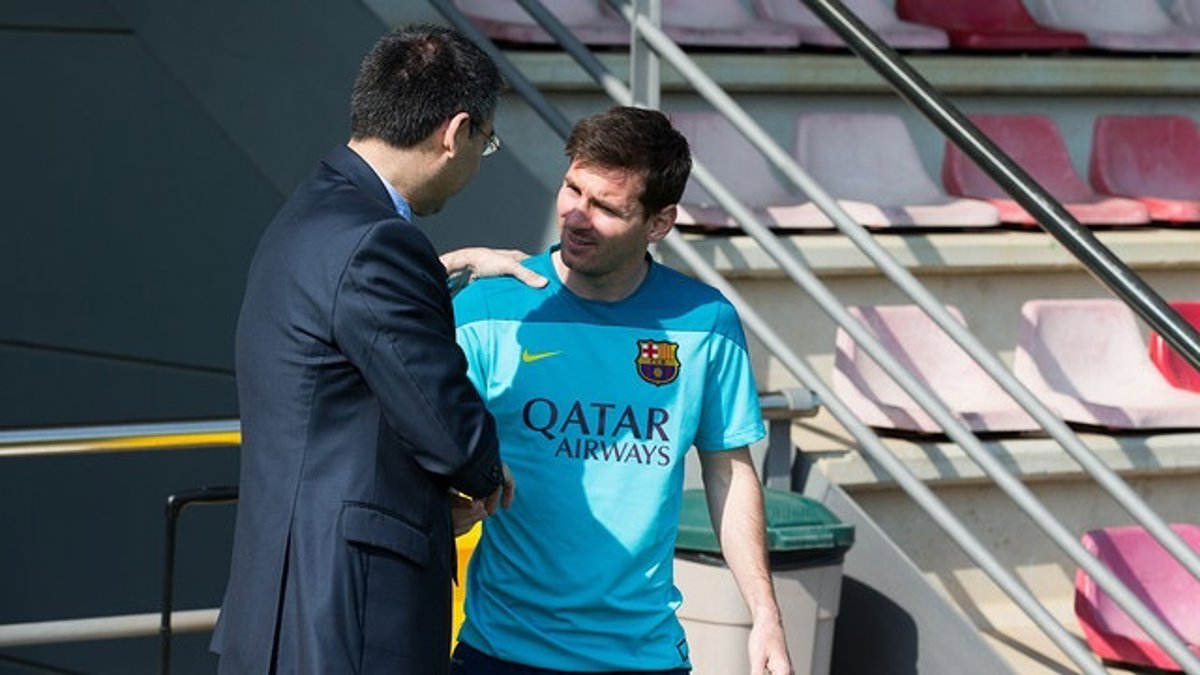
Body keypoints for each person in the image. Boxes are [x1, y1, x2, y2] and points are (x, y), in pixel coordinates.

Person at [213, 25, 541, 674]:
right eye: (486, 142)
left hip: (282, 606)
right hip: (349, 616)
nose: (478, 161)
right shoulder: (379, 241)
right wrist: (486, 474)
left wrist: (444, 270)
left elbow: (345, 337)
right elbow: (448, 429)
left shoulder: (313, 210)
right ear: (455, 133)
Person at [450, 107, 793, 675]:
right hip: (501, 651)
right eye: (572, 189)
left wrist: (765, 614)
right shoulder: (490, 307)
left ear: (659, 223)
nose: (576, 216)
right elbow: (419, 436)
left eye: (606, 207)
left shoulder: (706, 322)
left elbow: (729, 472)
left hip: (644, 657)